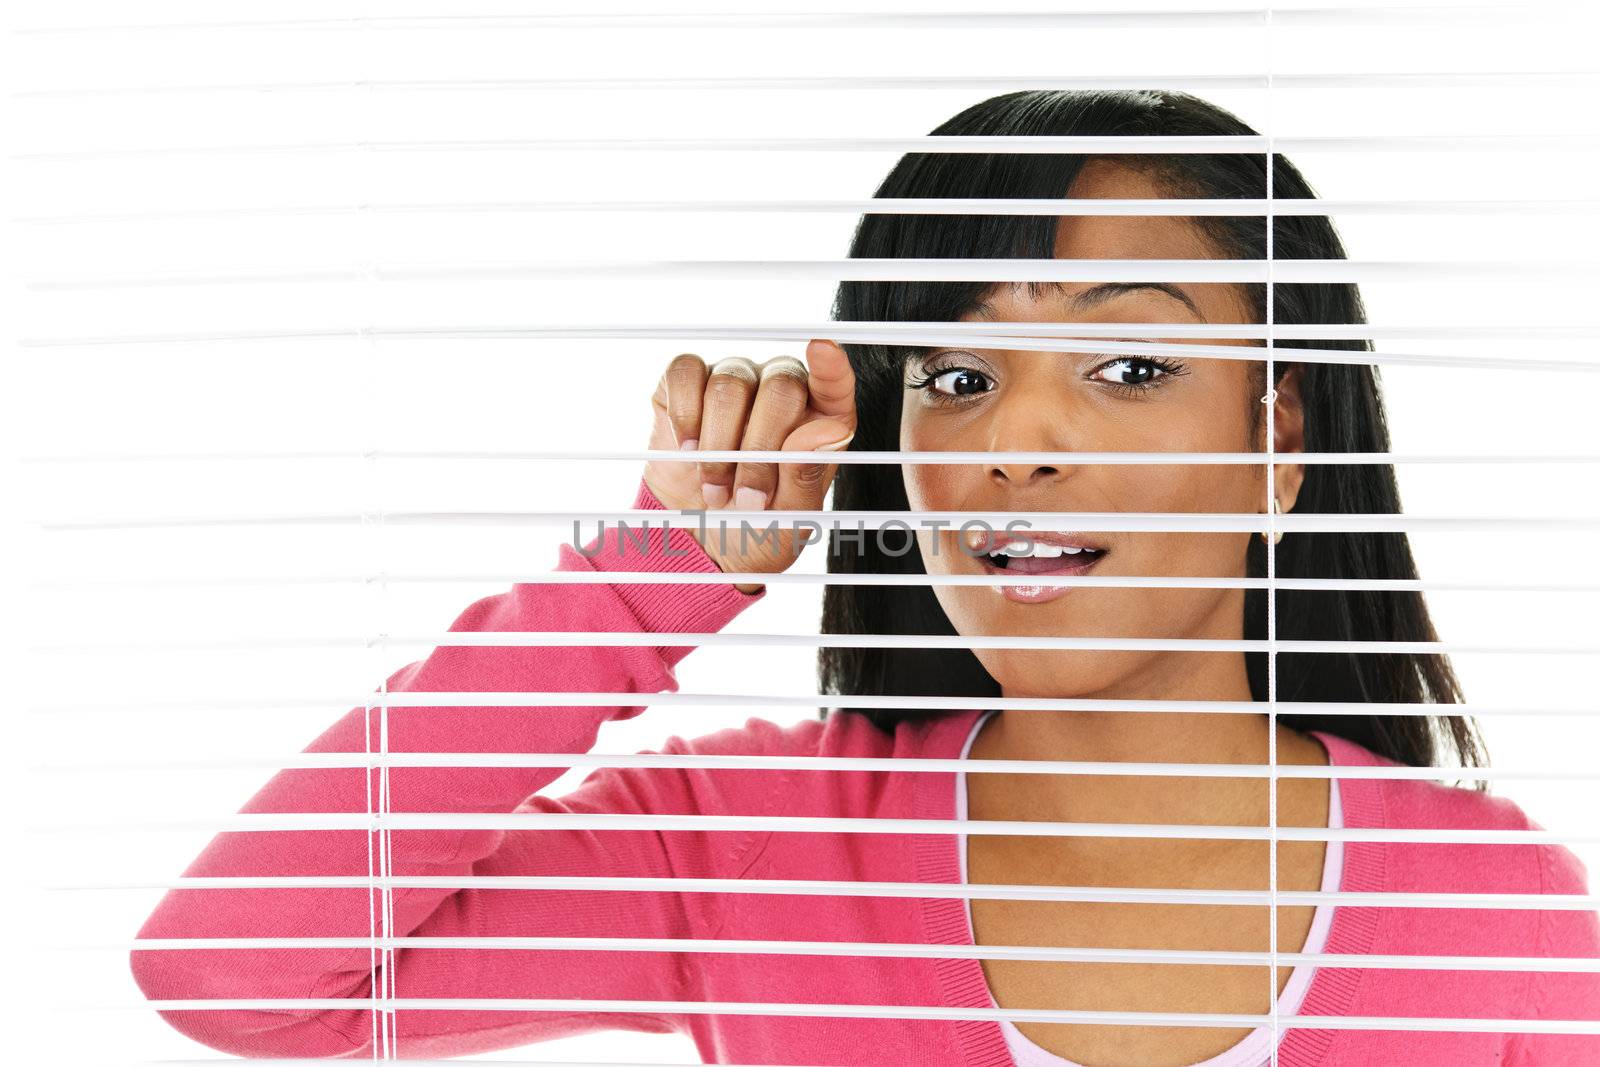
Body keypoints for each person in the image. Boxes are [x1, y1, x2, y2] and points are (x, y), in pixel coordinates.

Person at [129, 89, 1600, 1066]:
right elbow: (239, 974)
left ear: (1278, 438)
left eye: (1131, 365)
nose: (1014, 443)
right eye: (955, 373)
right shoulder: (751, 842)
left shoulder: (1497, 911)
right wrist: (646, 582)